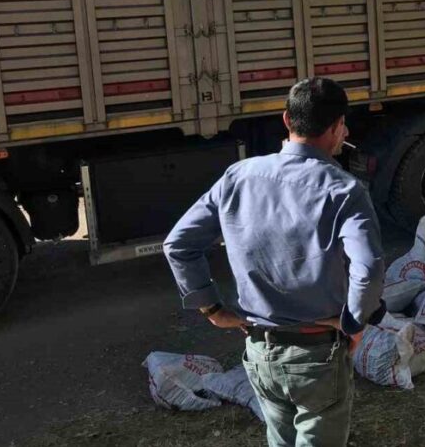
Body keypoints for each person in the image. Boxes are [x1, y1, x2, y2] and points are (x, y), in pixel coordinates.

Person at [164, 78, 385, 447]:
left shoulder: (238, 176)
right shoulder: (344, 190)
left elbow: (178, 244)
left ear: (286, 120)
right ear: (336, 129)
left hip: (258, 350)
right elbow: (369, 268)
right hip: (317, 353)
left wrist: (213, 309)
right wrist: (354, 321)